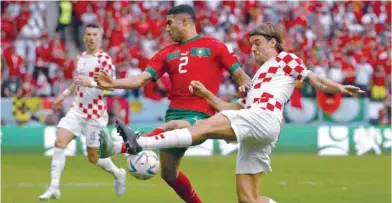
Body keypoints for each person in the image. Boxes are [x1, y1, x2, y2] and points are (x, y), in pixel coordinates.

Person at [115, 22, 364, 203]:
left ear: (273, 43)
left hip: (263, 117)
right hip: (260, 127)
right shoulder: (256, 79)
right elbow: (233, 109)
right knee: (248, 199)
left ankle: (140, 141)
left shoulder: (285, 60)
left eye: (258, 43)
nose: (253, 49)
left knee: (201, 127)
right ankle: (141, 141)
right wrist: (206, 96)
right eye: (251, 45)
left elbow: (314, 79)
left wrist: (339, 87)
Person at [93, 4, 250, 203]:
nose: (166, 28)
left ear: (184, 21)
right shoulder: (166, 53)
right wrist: (113, 83)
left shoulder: (215, 46)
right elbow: (140, 79)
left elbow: (242, 76)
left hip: (201, 116)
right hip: (174, 112)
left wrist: (244, 88)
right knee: (168, 174)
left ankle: (120, 146)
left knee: (173, 127)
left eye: (169, 23)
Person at [38, 24, 126, 200]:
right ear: (84, 37)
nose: (91, 38)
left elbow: (113, 86)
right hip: (77, 110)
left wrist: (91, 83)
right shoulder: (80, 57)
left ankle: (118, 173)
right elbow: (77, 81)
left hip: (95, 114)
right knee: (60, 141)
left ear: (100, 38)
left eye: (95, 34)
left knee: (93, 157)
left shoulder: (105, 59)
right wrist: (64, 94)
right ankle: (54, 187)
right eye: (88, 34)